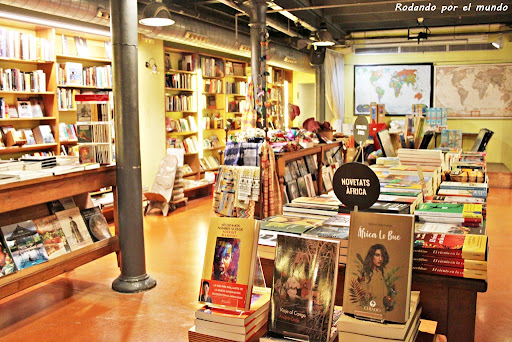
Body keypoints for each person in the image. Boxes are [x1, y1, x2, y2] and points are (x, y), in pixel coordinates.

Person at [361, 244, 390, 313]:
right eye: (377, 255)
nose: (380, 259)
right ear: (371, 256)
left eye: (382, 256)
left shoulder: (380, 273)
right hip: (370, 311)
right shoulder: (367, 275)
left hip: (381, 312)